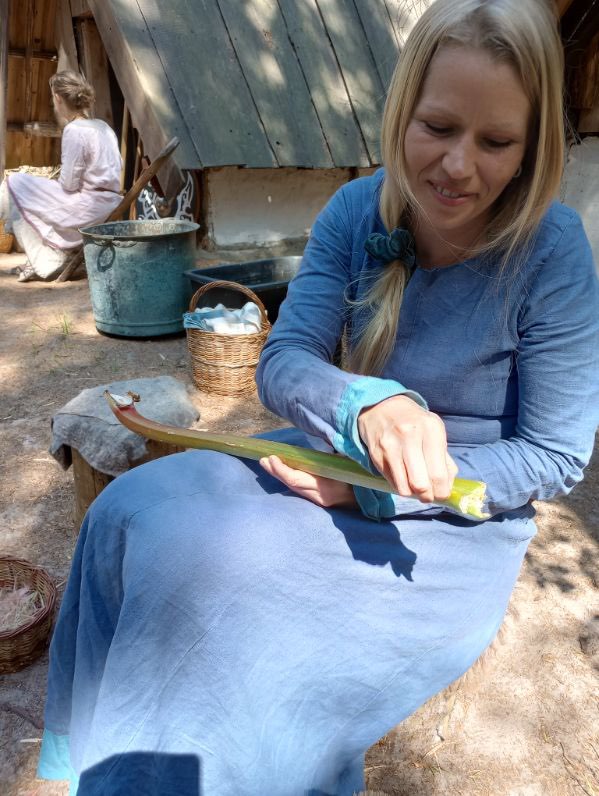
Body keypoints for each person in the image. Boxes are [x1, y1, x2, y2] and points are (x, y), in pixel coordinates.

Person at [38, 0, 599, 793]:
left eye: (495, 142)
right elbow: (284, 360)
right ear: (401, 113)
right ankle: (101, 765)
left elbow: (552, 454)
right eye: (437, 128)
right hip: (322, 456)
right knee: (127, 512)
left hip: (450, 522)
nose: (457, 166)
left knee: (238, 620)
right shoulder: (354, 211)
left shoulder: (551, 252)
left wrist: (379, 487)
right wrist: (360, 404)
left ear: (532, 146)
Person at [0, 71, 122, 282]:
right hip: (110, 203)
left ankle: (46, 260)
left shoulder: (74, 130)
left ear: (57, 98)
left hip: (89, 207)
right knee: (21, 189)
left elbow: (68, 185)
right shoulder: (103, 126)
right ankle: (45, 258)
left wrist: (42, 187)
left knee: (14, 183)